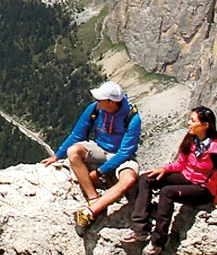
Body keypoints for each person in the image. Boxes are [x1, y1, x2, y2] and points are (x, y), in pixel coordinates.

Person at [116, 107, 217, 255]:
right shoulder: (192, 139)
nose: (189, 123)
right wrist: (164, 169)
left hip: (203, 188)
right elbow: (181, 164)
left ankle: (158, 241)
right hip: (186, 177)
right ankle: (140, 228)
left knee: (167, 192)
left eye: (193, 120)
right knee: (146, 178)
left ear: (205, 125)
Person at [43, 80, 142, 228]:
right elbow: (78, 134)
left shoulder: (132, 118)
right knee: (73, 151)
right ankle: (93, 198)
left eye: (100, 100)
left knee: (128, 179)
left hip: (121, 155)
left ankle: (90, 212)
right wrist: (58, 156)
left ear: (112, 102)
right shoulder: (95, 109)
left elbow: (125, 152)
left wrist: (101, 172)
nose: (97, 102)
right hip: (99, 147)